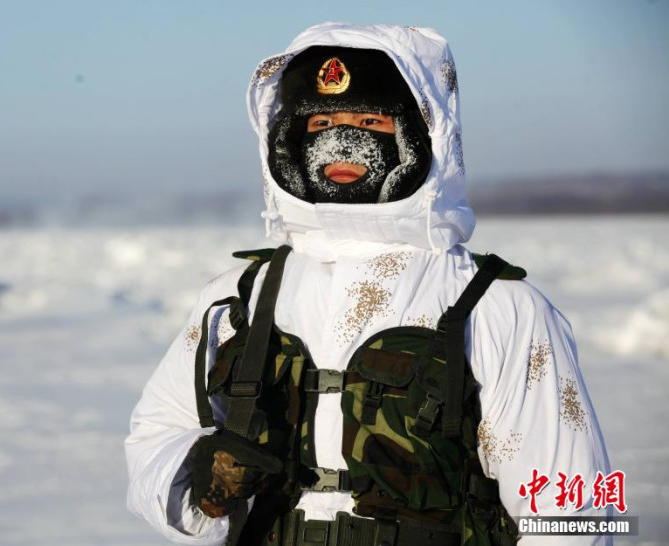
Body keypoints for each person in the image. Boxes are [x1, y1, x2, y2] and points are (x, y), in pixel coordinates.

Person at [125, 22, 610, 545]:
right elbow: (156, 435)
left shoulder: (498, 307)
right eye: (321, 121)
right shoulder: (238, 298)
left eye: (369, 120)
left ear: (419, 134)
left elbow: (573, 510)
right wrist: (201, 477)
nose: (340, 142)